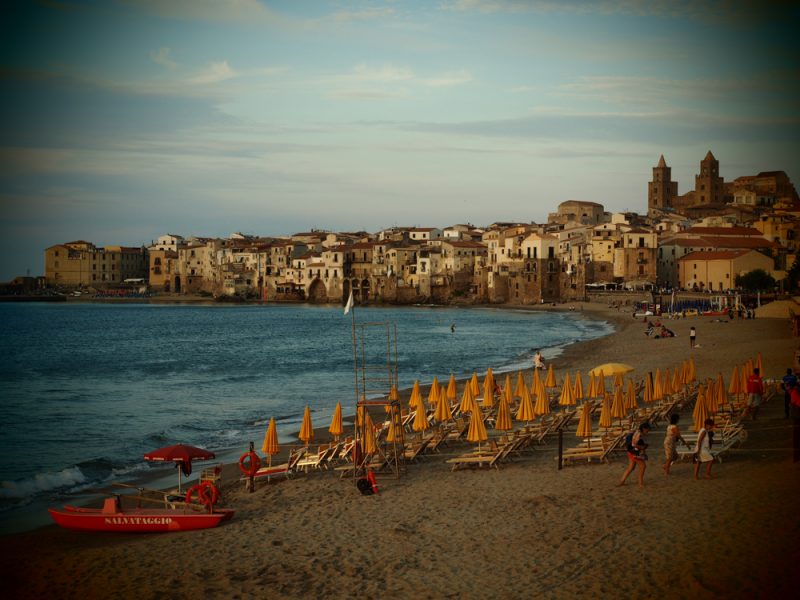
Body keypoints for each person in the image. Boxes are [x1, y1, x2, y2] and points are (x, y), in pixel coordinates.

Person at [618, 422, 651, 487]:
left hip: (630, 452)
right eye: (648, 429)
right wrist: (642, 447)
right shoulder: (638, 434)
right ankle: (640, 483)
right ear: (644, 429)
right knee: (642, 466)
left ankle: (622, 481)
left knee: (631, 467)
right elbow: (634, 445)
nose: (648, 431)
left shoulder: (637, 432)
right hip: (634, 452)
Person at [788, 380, 800, 463]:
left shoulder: (794, 392)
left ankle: (797, 457)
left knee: (797, 437)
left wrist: (791, 405)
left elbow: (794, 403)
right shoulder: (795, 391)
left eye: (787, 386)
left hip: (798, 416)